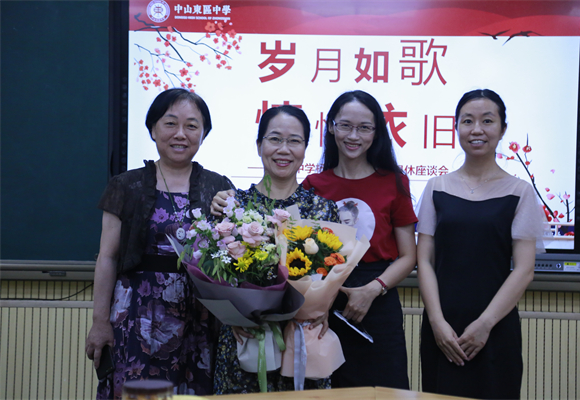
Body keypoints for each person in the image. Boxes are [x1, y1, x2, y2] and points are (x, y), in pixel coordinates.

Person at [85, 89, 234, 399]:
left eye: (191, 126)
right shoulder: (126, 185)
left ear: (203, 134)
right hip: (136, 314)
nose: (180, 134)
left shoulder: (219, 187)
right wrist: (100, 322)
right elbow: (107, 258)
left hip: (198, 317)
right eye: (170, 123)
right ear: (153, 129)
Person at [416, 89, 545, 399]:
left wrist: (485, 324)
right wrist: (436, 322)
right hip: (442, 329)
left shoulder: (520, 191)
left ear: (502, 129)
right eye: (467, 121)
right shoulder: (436, 187)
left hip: (496, 327)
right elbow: (424, 261)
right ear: (456, 127)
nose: (477, 129)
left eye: (487, 121)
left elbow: (524, 270)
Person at [210, 105, 340, 394]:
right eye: (275, 139)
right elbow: (215, 273)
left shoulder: (322, 210)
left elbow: (331, 275)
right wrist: (233, 315)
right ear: (259, 145)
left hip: (303, 341)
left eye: (294, 141)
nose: (284, 149)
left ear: (305, 149)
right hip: (246, 340)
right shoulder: (233, 206)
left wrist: (324, 308)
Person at [302, 90, 417, 389]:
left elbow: (409, 256)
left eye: (364, 128)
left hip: (379, 299)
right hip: (324, 304)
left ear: (376, 133)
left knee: (384, 390)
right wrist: (323, 298)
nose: (354, 136)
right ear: (331, 127)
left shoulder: (394, 182)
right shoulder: (313, 185)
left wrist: (372, 289)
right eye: (345, 126)